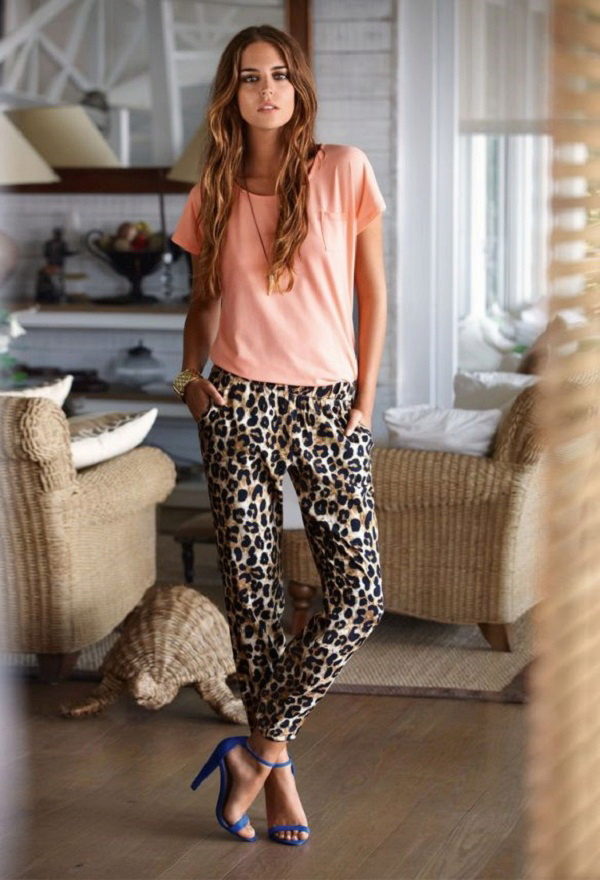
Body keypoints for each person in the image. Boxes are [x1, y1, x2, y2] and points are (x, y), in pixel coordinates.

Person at [170, 23, 387, 847]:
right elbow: (202, 302)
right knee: (254, 600)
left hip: (330, 406)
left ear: (300, 86)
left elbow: (373, 294)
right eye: (251, 77)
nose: (269, 90)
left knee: (359, 597)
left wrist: (365, 399)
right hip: (238, 407)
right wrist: (191, 383)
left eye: (281, 75)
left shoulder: (344, 168)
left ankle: (255, 751)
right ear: (231, 93)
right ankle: (281, 776)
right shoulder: (213, 190)